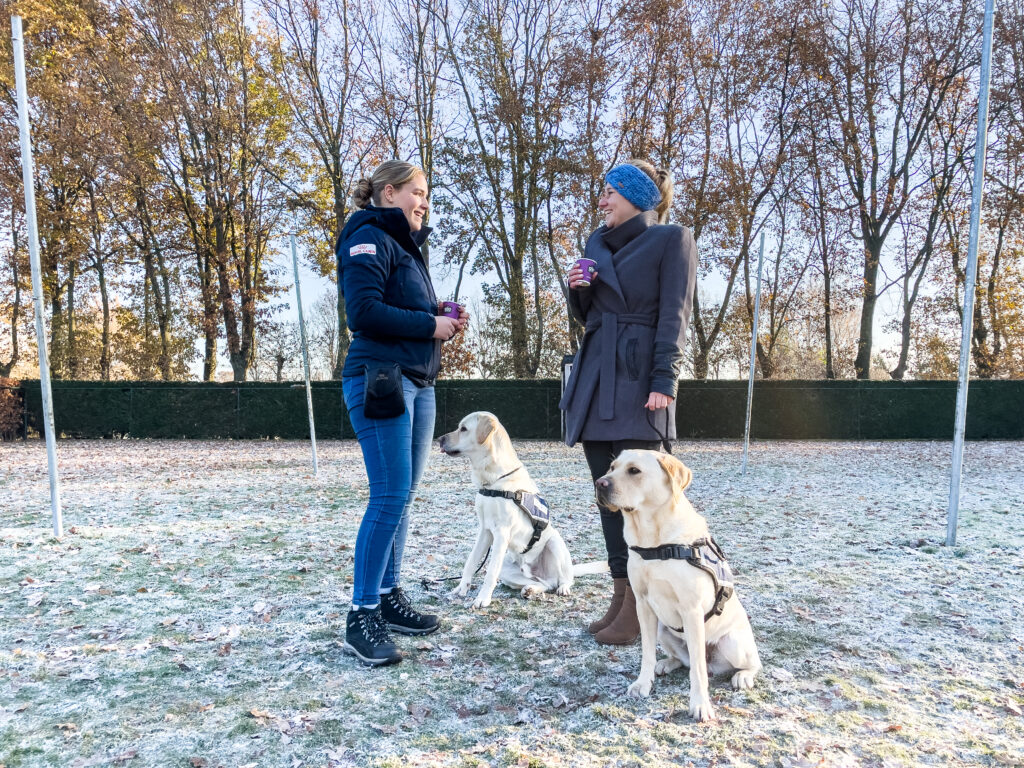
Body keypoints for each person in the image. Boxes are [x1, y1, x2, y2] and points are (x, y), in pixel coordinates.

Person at [559, 159, 697, 645]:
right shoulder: (596, 245)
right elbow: (589, 315)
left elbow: (674, 316)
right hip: (597, 376)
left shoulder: (672, 240)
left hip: (640, 379)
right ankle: (623, 596)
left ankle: (648, 608)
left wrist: (665, 379)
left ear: (637, 197)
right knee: (609, 497)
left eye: (610, 192)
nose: (602, 201)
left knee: (644, 502)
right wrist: (577, 290)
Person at [336, 159, 468, 666]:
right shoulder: (367, 236)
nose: (424, 202)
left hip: (418, 381)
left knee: (404, 497)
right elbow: (363, 312)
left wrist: (441, 318)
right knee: (389, 495)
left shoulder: (407, 248)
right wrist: (429, 325)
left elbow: (408, 313)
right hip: (381, 380)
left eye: (426, 195)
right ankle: (361, 612)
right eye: (418, 192)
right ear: (389, 193)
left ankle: (388, 596)